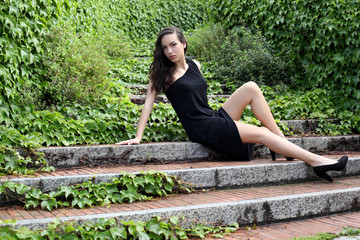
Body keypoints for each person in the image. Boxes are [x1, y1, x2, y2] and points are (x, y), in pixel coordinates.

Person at [116, 26, 348, 183]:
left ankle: (283, 146)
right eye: (165, 47)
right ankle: (317, 162)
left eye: (173, 45)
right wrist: (138, 136)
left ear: (184, 44)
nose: (169, 51)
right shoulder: (162, 75)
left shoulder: (194, 65)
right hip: (202, 127)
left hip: (212, 117)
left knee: (251, 87)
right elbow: (148, 103)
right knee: (261, 133)